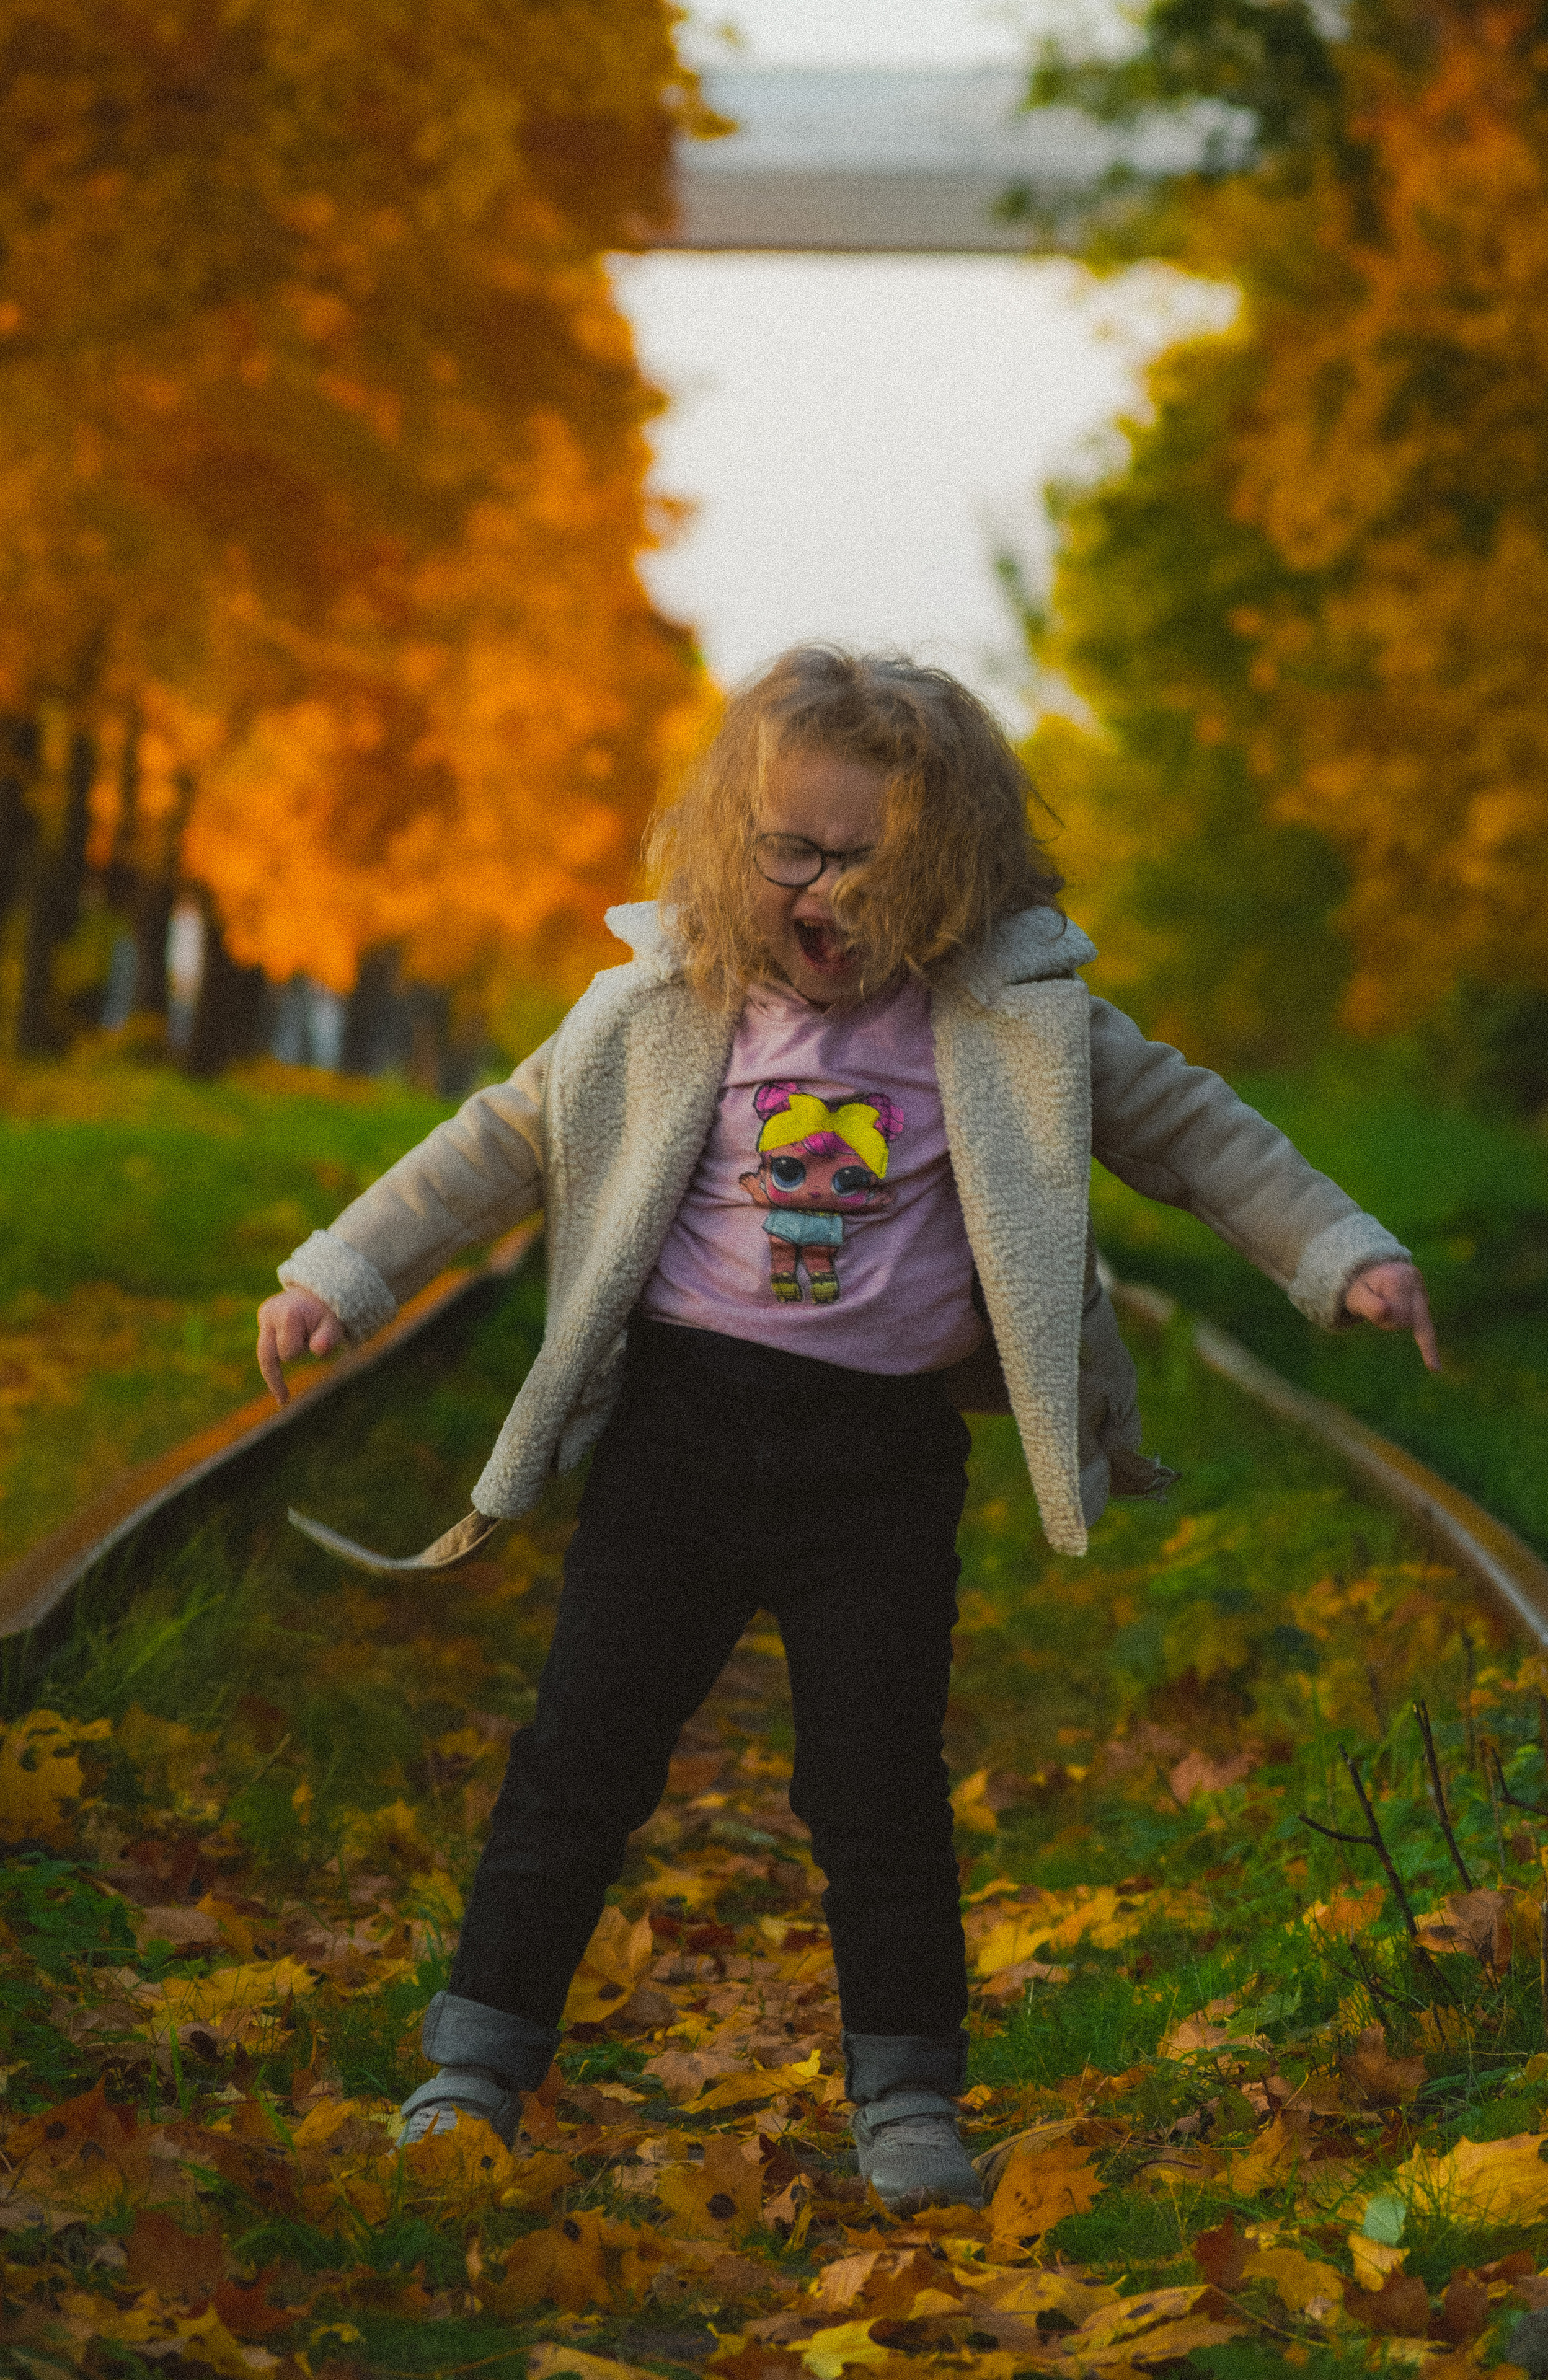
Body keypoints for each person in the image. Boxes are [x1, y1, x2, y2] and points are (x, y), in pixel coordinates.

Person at [257, 646, 1438, 2210]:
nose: (822, 893)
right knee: (580, 1757)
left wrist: (1341, 1253)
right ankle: (475, 2058)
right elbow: (494, 1141)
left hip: (876, 1464)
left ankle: (906, 2096)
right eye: (788, 854)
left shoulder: (1015, 1022)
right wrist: (343, 1272)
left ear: (951, 878)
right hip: (678, 1435)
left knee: (872, 1783)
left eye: (866, 863)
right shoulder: (658, 1008)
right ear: (726, 849)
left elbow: (1197, 1134)